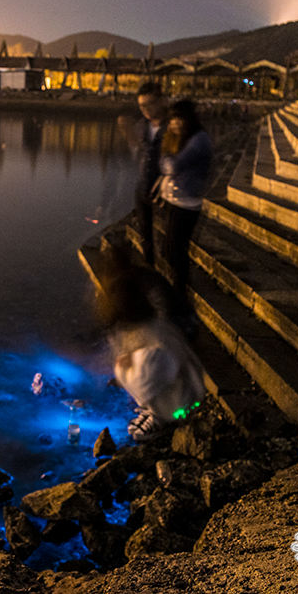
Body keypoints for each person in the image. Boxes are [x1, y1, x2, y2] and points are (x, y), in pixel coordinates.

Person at [98, 262, 205, 442]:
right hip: (166, 362)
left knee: (143, 367)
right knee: (130, 365)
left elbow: (162, 359)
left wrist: (132, 369)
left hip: (182, 387)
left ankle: (165, 416)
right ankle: (154, 409)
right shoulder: (134, 295)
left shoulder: (154, 314)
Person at [154, 99, 212, 334]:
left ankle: (181, 307)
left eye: (179, 119)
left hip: (186, 205)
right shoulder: (187, 139)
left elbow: (172, 166)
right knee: (170, 251)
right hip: (175, 201)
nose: (175, 124)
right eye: (173, 119)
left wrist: (165, 161)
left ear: (188, 119)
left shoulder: (199, 141)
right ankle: (177, 301)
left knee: (176, 253)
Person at [118, 82, 167, 263]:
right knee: (145, 237)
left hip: (166, 192)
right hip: (143, 187)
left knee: (169, 241)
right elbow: (137, 151)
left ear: (162, 101)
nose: (146, 109)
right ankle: (150, 270)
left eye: (150, 104)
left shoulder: (174, 127)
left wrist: (167, 177)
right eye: (141, 106)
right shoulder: (141, 127)